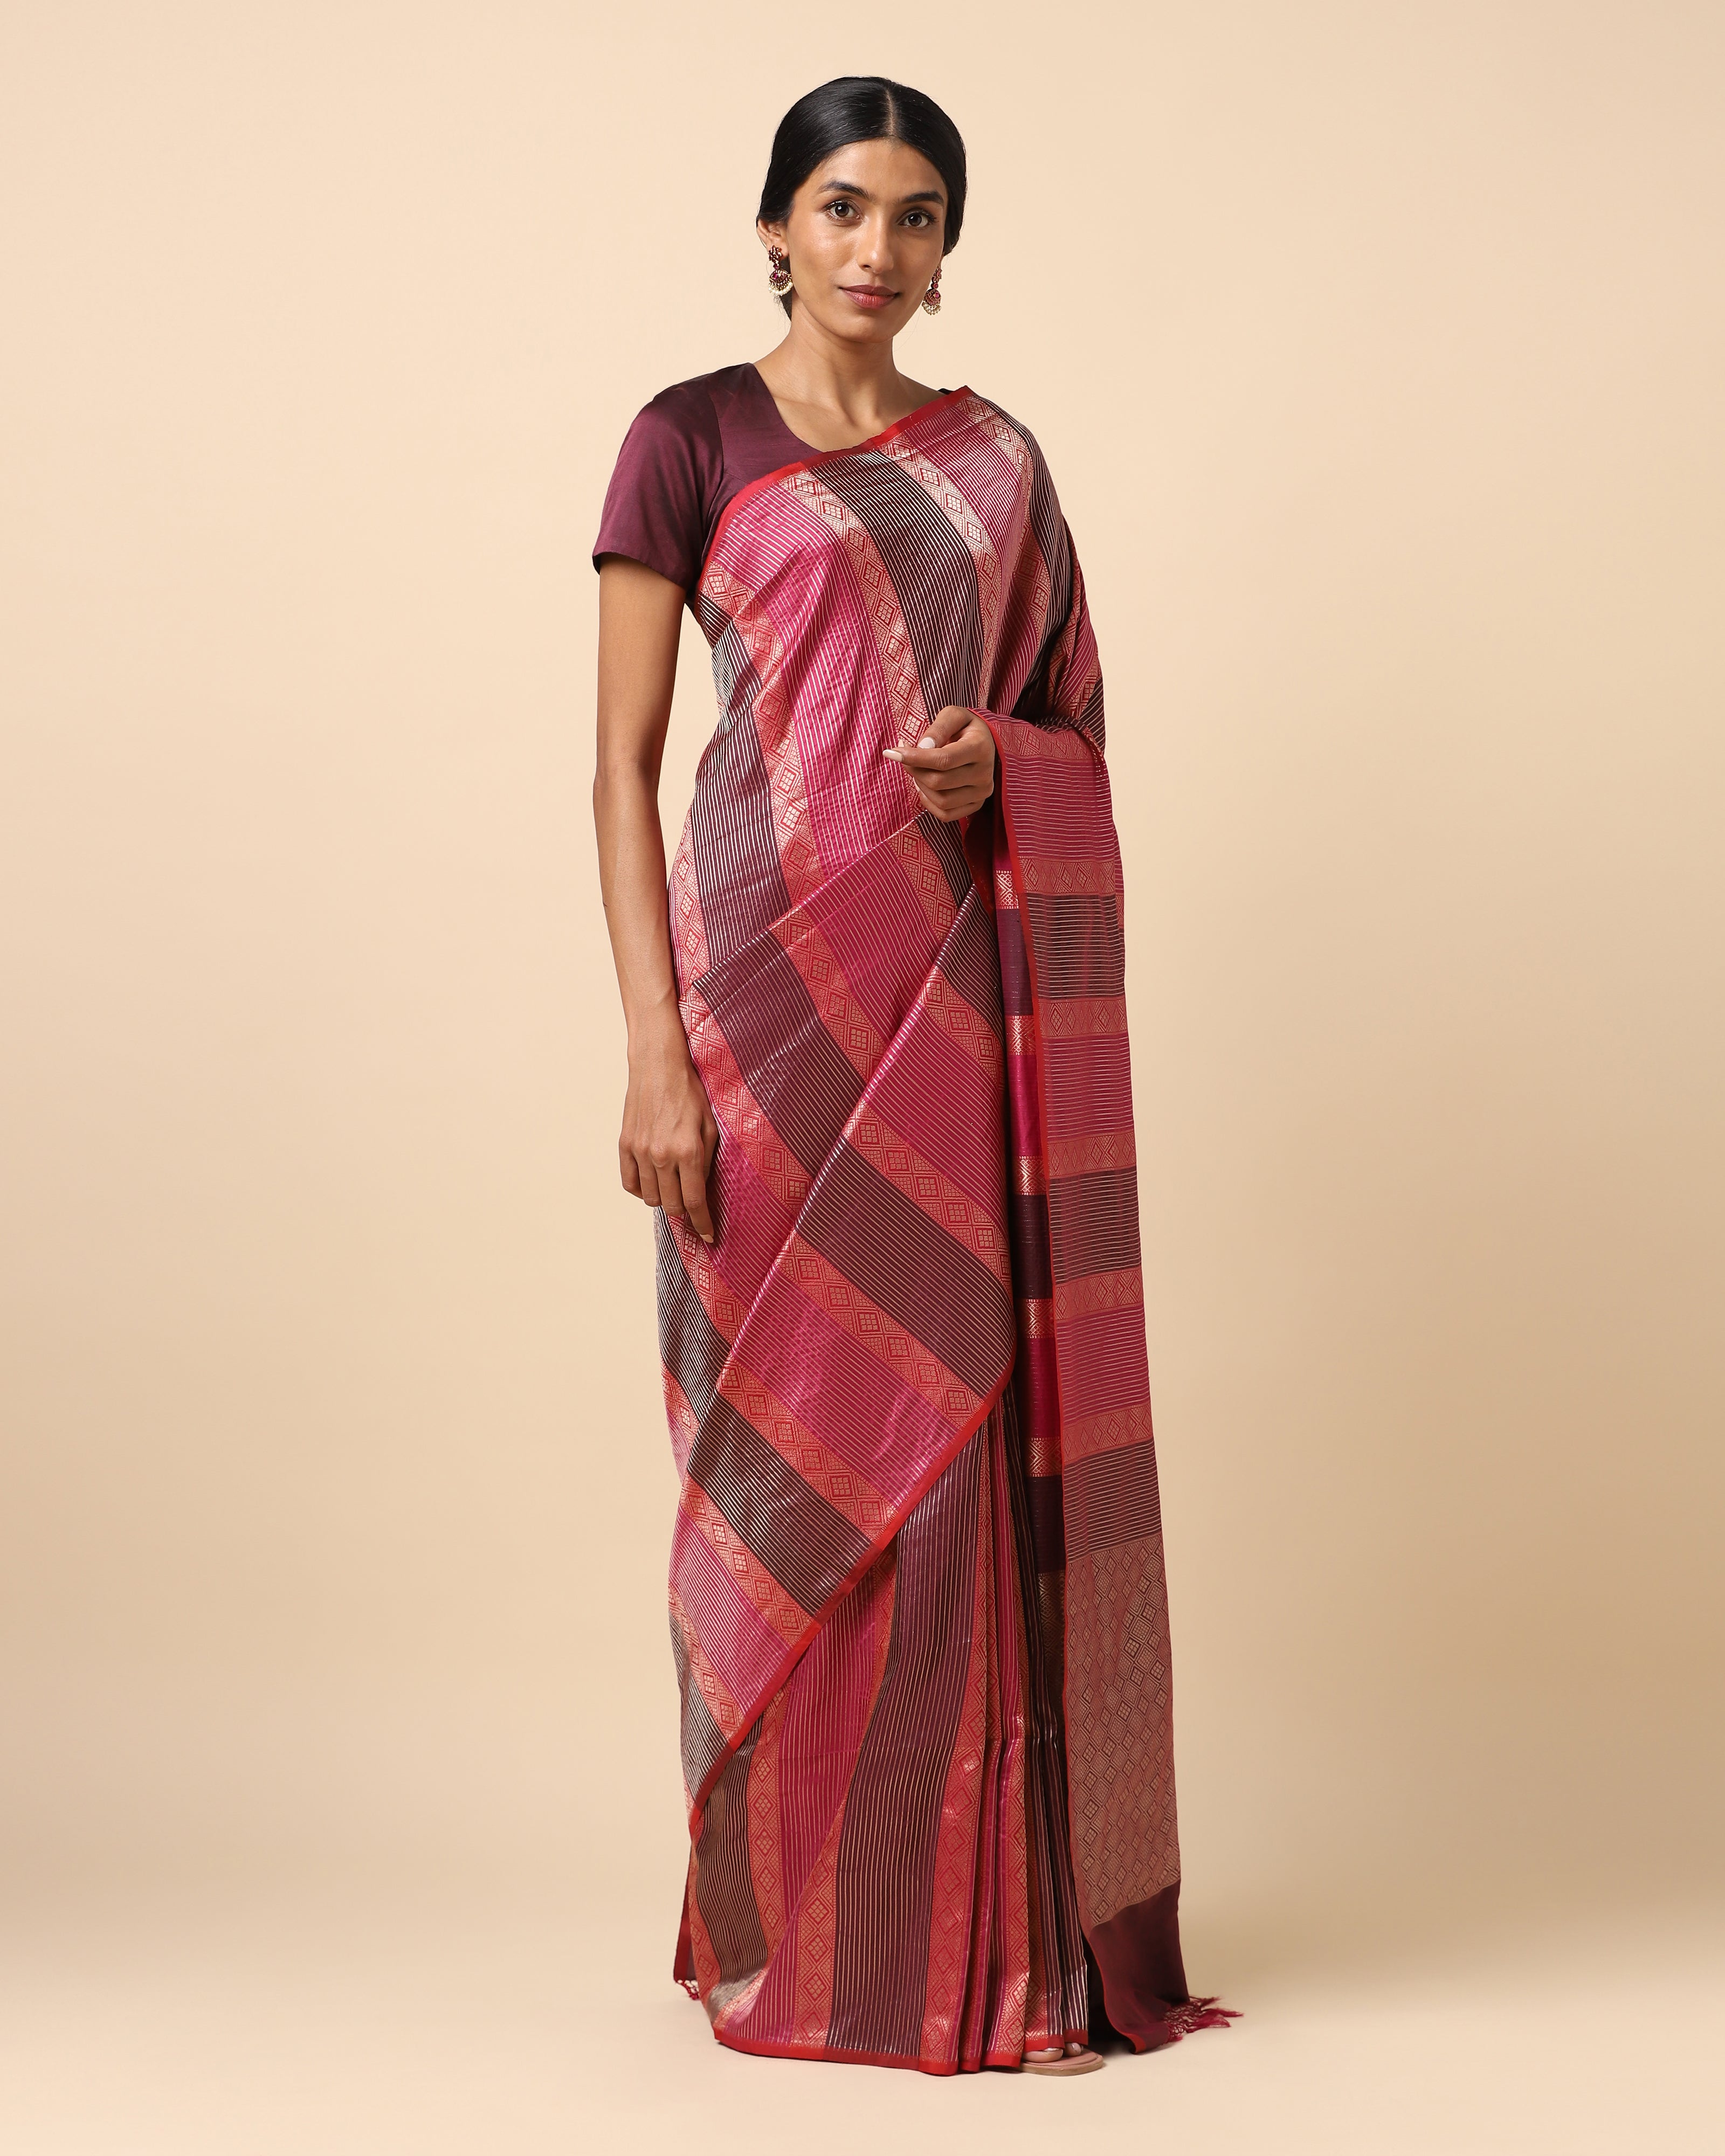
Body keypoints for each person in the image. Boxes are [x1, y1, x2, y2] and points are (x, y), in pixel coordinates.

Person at [592, 75, 1230, 2077]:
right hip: (757, 1010)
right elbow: (620, 770)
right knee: (786, 1455)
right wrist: (653, 1055)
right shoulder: (687, 438)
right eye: (845, 207)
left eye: (920, 216)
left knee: (950, 1434)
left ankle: (972, 1956)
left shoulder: (997, 464)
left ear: (949, 250)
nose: (880, 248)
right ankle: (800, 1939)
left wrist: (992, 772)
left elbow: (1068, 732)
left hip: (945, 994)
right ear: (775, 227)